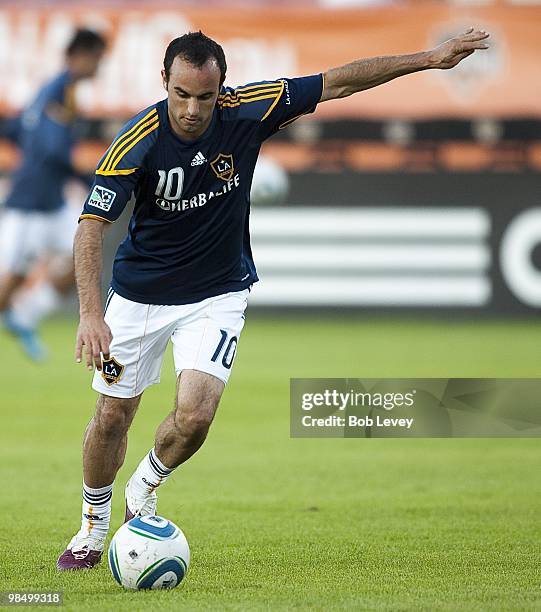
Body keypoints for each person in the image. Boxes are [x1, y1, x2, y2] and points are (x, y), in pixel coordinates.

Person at [57, 28, 489, 570]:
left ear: (223, 88)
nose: (193, 110)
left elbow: (338, 82)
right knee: (112, 416)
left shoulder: (249, 110)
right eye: (182, 95)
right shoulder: (137, 141)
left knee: (195, 418)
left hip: (218, 293)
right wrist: (91, 315)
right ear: (163, 81)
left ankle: (142, 489)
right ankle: (92, 528)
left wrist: (429, 58)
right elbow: (91, 228)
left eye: (206, 97)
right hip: (141, 296)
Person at [0, 29, 106, 361]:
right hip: (28, 202)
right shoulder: (58, 91)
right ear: (81, 56)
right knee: (8, 282)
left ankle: (26, 316)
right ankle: (17, 315)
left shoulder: (56, 91)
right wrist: (85, 176)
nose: (99, 67)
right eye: (98, 58)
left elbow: (18, 131)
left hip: (52, 201)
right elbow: (51, 148)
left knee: (82, 257)